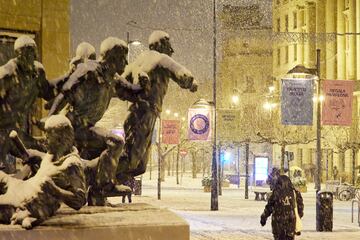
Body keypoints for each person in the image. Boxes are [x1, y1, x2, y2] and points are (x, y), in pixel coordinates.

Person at [48, 37, 147, 205]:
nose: (124, 62)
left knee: (111, 151)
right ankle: (103, 186)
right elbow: (65, 93)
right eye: (122, 58)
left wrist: (143, 85)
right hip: (74, 128)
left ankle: (96, 191)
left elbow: (131, 92)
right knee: (115, 143)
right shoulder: (89, 71)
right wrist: (51, 120)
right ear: (112, 58)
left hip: (88, 128)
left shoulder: (113, 79)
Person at [116, 30, 197, 182]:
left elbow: (121, 85)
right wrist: (191, 83)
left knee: (137, 159)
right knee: (136, 160)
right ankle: (108, 176)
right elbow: (180, 74)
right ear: (160, 45)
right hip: (146, 112)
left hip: (135, 113)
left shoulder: (139, 61)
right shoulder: (160, 59)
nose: (171, 50)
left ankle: (111, 174)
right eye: (168, 45)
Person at [0, 114, 86, 229]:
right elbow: (46, 160)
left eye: (48, 135)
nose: (45, 138)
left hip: (24, 202)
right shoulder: (53, 153)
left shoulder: (71, 164)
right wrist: (36, 156)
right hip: (21, 186)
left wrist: (55, 190)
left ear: (60, 138)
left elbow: (79, 201)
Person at [0, 35, 55, 173]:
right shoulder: (7, 75)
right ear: (18, 55)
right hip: (2, 131)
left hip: (15, 132)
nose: (31, 57)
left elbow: (50, 93)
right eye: (27, 53)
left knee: (44, 155)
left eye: (33, 53)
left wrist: (70, 78)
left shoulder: (37, 73)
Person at [260, 175, 304, 240]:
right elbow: (300, 207)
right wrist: (297, 216)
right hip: (290, 222)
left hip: (278, 223)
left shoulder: (276, 193)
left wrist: (263, 218)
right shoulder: (295, 193)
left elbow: (269, 207)